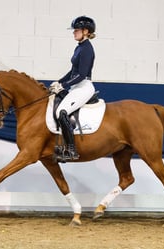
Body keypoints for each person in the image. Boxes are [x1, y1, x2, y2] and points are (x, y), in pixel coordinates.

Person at [49, 16, 96, 162]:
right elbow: (72, 71)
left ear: (86, 31)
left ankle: (71, 150)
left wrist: (64, 85)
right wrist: (59, 81)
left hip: (84, 86)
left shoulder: (87, 49)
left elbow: (81, 75)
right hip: (76, 85)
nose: (74, 32)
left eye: (77, 30)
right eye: (74, 30)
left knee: (62, 112)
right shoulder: (79, 47)